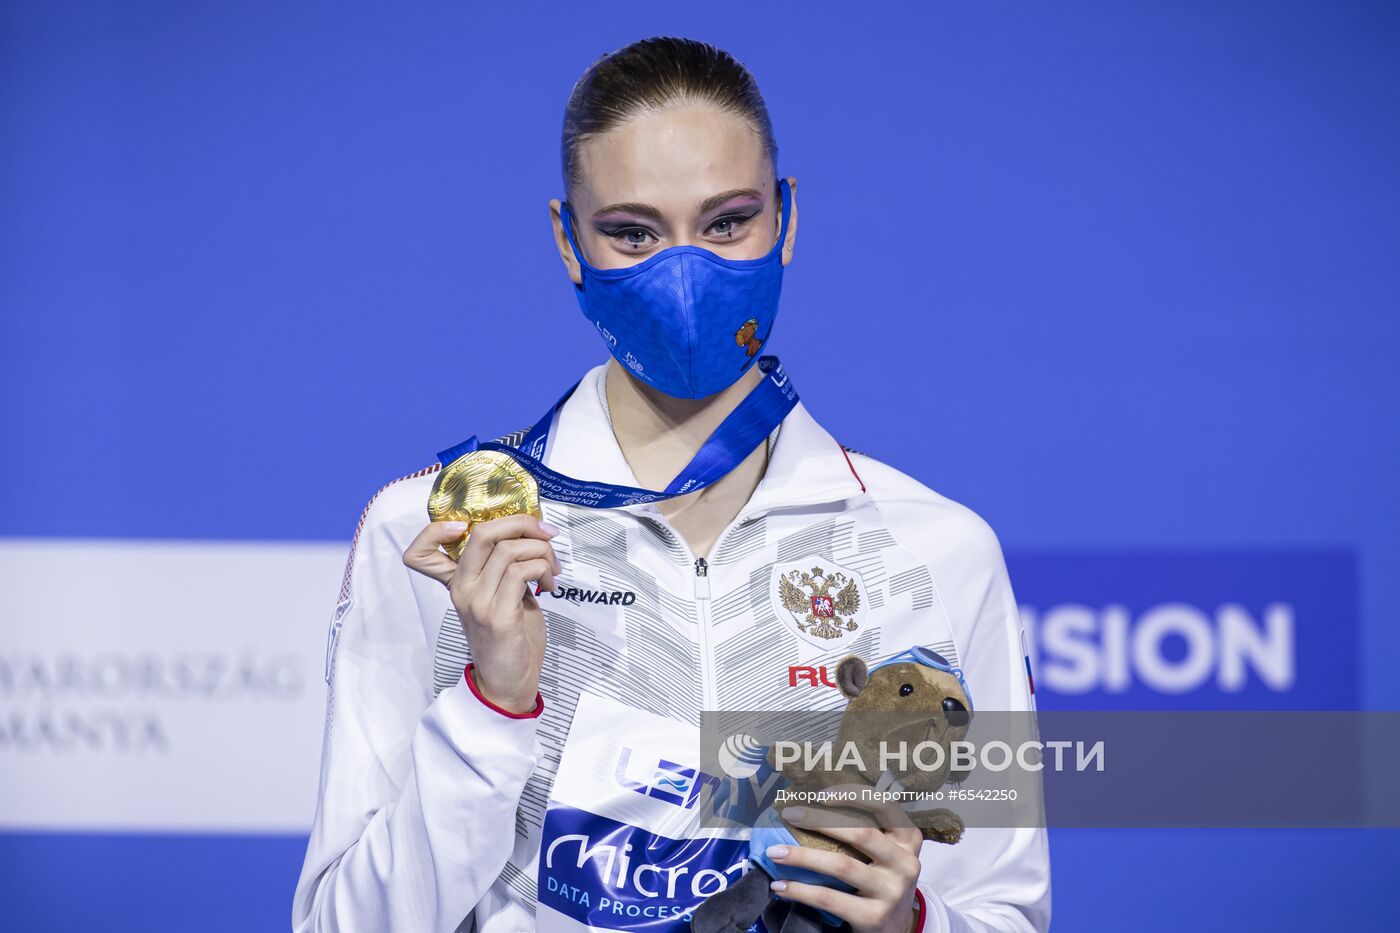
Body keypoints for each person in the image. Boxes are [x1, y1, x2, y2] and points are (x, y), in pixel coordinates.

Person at [293, 36, 1050, 933]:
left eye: (728, 221)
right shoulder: (433, 540)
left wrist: (909, 924)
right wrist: (493, 706)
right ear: (569, 241)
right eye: (633, 232)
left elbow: (1004, 912)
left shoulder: (934, 547)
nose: (684, 273)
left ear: (788, 219)